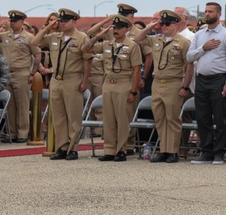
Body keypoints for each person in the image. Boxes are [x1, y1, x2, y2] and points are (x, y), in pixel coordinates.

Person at [32, 9, 93, 161]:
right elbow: (33, 42)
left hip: (72, 79)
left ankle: (72, 148)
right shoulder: (54, 37)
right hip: (56, 79)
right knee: (58, 116)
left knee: (73, 116)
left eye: (66, 21)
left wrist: (85, 81)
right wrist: (47, 27)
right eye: (61, 20)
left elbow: (88, 60)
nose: (62, 23)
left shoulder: (81, 38)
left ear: (74, 21)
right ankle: (62, 147)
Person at [185, 2, 226, 165]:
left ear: (218, 14)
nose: (207, 14)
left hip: (219, 79)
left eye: (210, 11)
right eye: (206, 11)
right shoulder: (199, 35)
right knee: (202, 118)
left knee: (219, 117)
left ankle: (219, 152)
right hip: (202, 79)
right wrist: (204, 47)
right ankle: (206, 151)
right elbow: (189, 57)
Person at [135, 9, 193, 163]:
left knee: (172, 118)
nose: (164, 26)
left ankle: (173, 151)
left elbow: (189, 66)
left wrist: (185, 87)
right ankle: (164, 150)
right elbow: (137, 39)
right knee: (160, 118)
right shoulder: (156, 39)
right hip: (157, 83)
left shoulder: (183, 42)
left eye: (167, 24)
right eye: (162, 23)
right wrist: (150, 26)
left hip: (173, 83)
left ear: (175, 25)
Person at [91, 16, 143, 161]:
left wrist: (133, 91)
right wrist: (99, 36)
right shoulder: (107, 44)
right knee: (108, 119)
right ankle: (109, 150)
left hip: (123, 83)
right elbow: (87, 47)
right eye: (114, 27)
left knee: (122, 119)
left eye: (119, 27)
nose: (116, 30)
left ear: (127, 29)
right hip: (108, 83)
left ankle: (121, 150)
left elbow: (137, 70)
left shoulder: (132, 46)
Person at [0, 10, 40, 143]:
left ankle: (22, 133)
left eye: (15, 21)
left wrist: (33, 73)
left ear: (22, 22)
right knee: (9, 105)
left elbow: (37, 56)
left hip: (22, 73)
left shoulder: (28, 37)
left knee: (22, 105)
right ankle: (12, 133)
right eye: (11, 20)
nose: (13, 23)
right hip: (6, 73)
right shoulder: (4, 35)